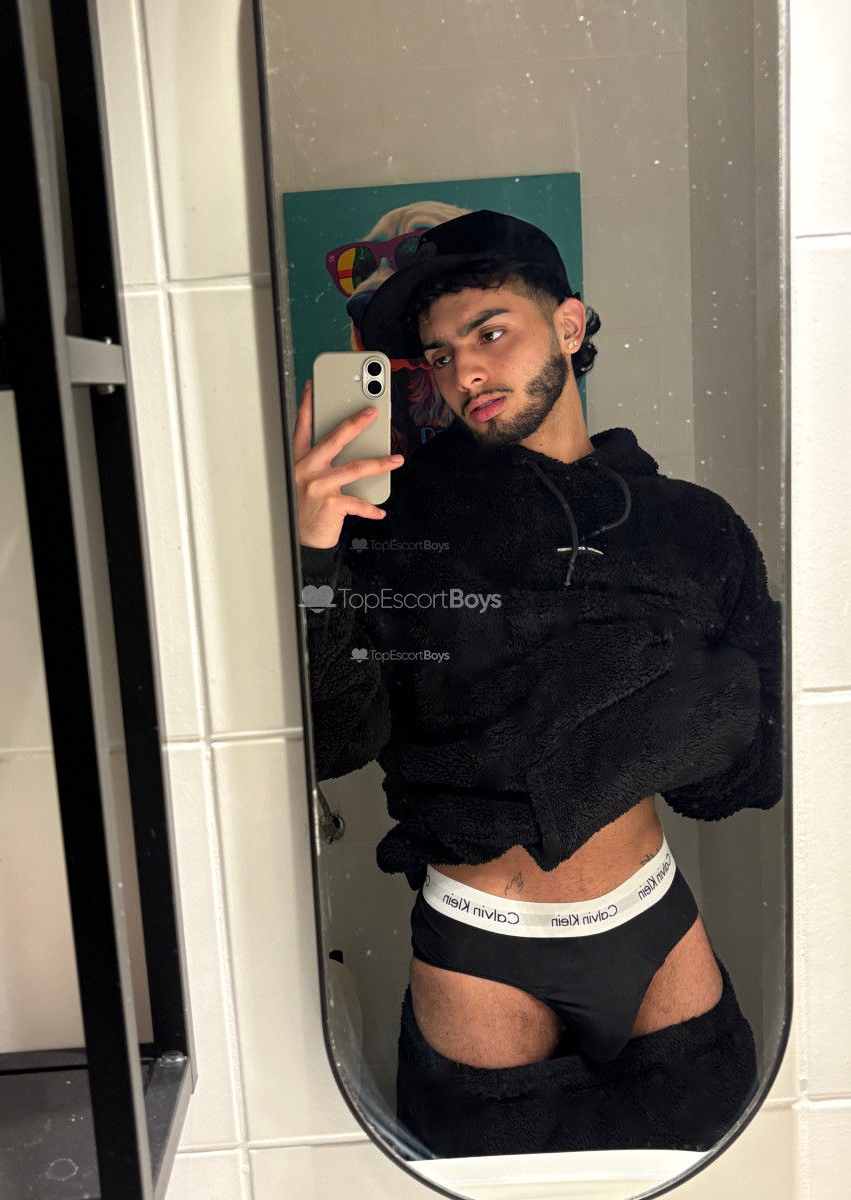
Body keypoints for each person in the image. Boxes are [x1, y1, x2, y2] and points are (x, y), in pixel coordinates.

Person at [293, 210, 781, 1157]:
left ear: (567, 324)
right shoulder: (394, 527)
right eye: (440, 355)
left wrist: (685, 705)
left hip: (654, 928)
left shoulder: (690, 529)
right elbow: (336, 734)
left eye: (489, 332)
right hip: (480, 953)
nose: (465, 373)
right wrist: (315, 552)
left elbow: (745, 775)